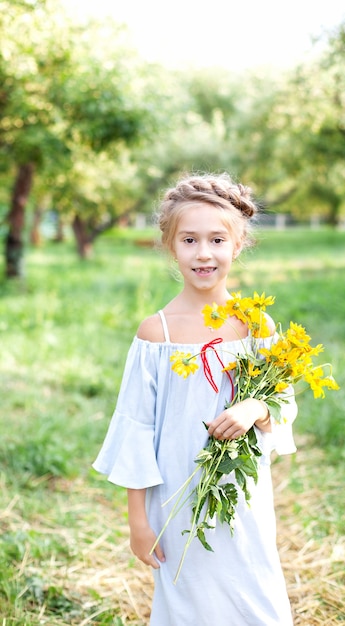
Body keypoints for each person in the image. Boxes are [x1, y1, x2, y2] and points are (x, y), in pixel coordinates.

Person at [93, 173, 298, 626]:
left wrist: (254, 407)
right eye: (189, 240)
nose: (203, 253)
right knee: (188, 595)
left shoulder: (254, 324)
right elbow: (135, 428)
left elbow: (283, 397)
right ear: (171, 246)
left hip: (241, 493)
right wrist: (138, 522)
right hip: (176, 493)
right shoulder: (156, 334)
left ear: (238, 244)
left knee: (255, 589)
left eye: (217, 240)